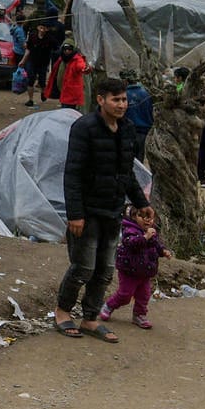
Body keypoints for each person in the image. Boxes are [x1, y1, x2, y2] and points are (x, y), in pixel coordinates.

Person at [54, 78, 150, 343]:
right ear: (100, 99)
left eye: (124, 100)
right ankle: (62, 311)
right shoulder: (84, 128)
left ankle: (90, 317)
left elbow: (127, 172)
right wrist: (75, 214)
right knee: (83, 267)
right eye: (116, 99)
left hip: (113, 210)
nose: (122, 105)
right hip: (87, 211)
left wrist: (142, 203)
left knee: (105, 269)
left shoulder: (128, 129)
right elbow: (72, 173)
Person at [99, 203, 170, 329]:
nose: (147, 219)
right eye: (142, 216)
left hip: (145, 271)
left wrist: (163, 251)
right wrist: (145, 237)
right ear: (133, 217)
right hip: (129, 270)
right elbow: (132, 244)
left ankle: (139, 315)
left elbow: (156, 245)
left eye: (150, 216)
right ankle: (109, 305)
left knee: (144, 295)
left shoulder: (151, 233)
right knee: (125, 295)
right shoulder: (130, 230)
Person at [47, 40, 88, 108]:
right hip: (64, 92)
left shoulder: (77, 59)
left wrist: (86, 69)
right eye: (65, 49)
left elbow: (81, 66)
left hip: (72, 94)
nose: (67, 51)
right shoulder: (61, 59)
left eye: (69, 49)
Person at [123, 71, 154, 161]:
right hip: (144, 133)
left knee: (128, 161)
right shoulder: (146, 94)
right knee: (140, 160)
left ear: (125, 81)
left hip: (129, 133)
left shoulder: (124, 96)